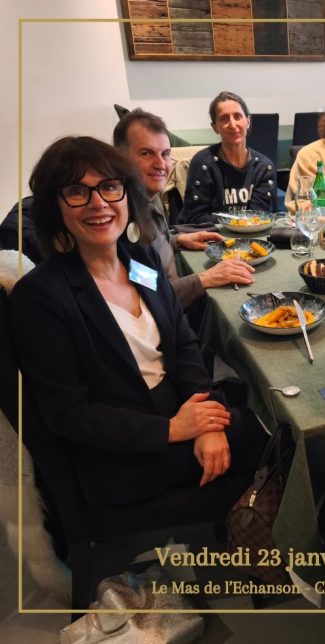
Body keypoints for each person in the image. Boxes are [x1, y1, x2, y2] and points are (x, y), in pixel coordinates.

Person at [10, 136, 267, 506]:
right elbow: (68, 415)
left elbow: (184, 344)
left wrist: (205, 423)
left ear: (127, 194)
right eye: (77, 191)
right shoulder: (41, 297)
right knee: (273, 436)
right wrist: (173, 430)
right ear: (56, 205)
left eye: (110, 187)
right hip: (121, 456)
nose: (98, 203)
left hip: (178, 412)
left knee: (262, 407)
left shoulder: (141, 262)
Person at [113, 109, 256, 308]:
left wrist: (176, 240)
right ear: (120, 157)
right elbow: (145, 289)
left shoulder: (147, 194)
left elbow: (147, 249)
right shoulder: (118, 218)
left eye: (165, 154)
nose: (160, 164)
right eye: (146, 153)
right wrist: (204, 279)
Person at [179, 91, 276, 225]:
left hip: (252, 240)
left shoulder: (264, 167)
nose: (232, 124)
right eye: (224, 118)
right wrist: (237, 221)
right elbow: (194, 217)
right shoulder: (203, 164)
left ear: (248, 121)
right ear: (215, 127)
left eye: (237, 116)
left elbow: (258, 218)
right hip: (211, 239)